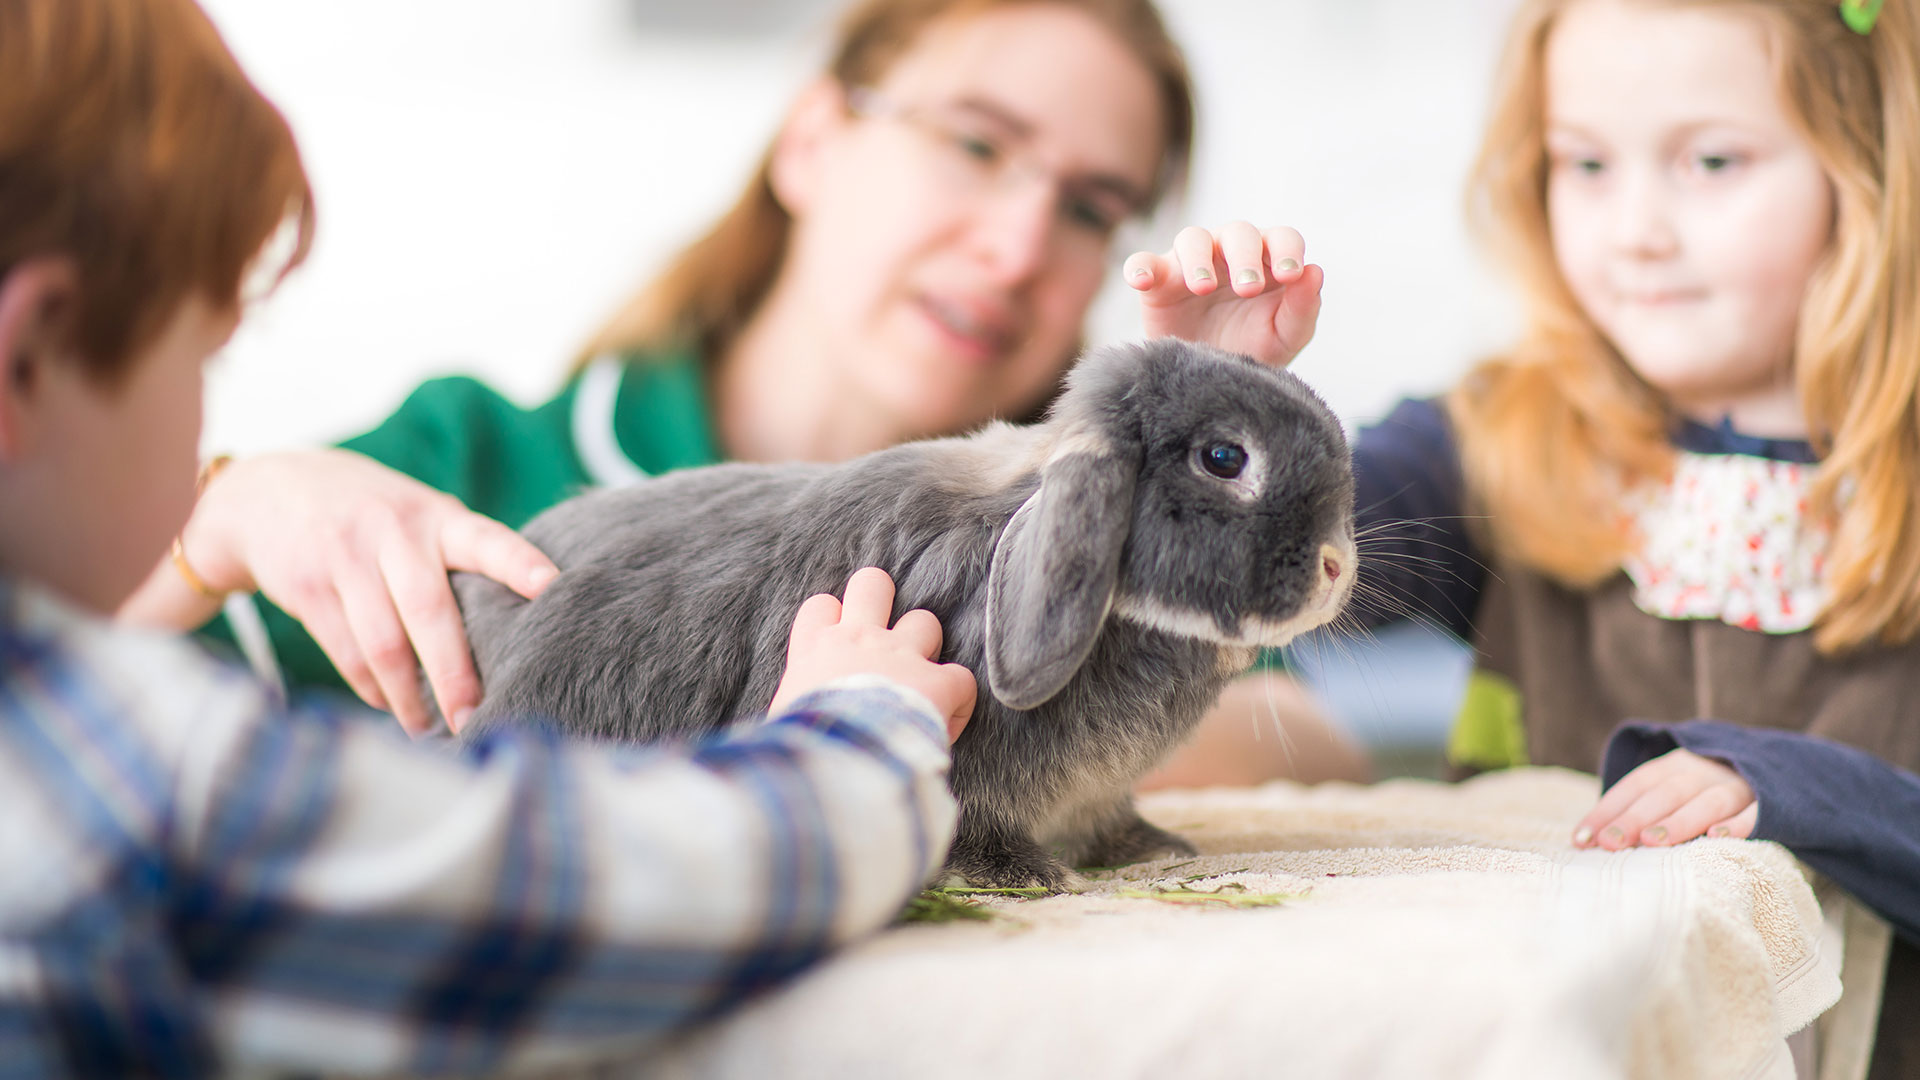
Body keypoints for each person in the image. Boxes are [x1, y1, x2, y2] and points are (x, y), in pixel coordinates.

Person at [0, 0, 978, 1072]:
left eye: (1092, 206)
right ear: (31, 355)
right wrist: (863, 724)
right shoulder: (143, 779)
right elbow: (617, 889)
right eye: (202, 361)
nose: (1015, 243)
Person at [119, 0, 1370, 783]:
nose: (1018, 242)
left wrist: (1191, 455)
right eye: (976, 144)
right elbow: (72, 695)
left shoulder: (1071, 520)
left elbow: (1314, 752)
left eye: (1092, 206)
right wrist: (219, 521)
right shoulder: (472, 461)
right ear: (814, 139)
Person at [1140, 0, 1920, 1070]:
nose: (1637, 227)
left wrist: (1795, 788)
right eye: (1585, 165)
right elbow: (1247, 573)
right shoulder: (1502, 432)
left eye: (1713, 160)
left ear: (1869, 163)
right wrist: (1219, 413)